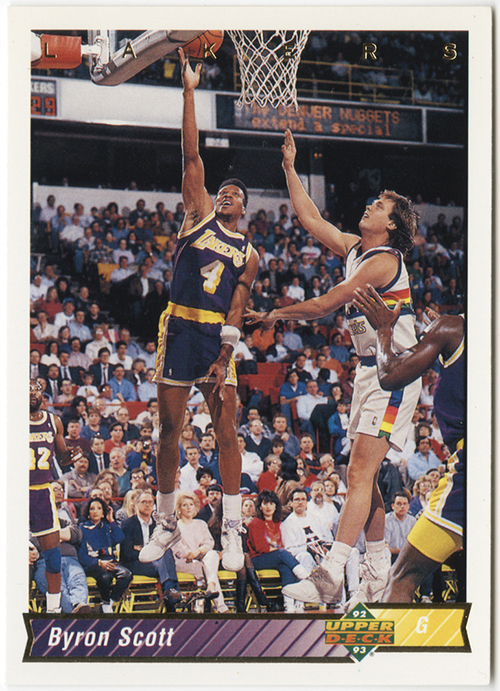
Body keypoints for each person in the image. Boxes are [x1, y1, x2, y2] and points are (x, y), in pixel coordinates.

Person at [246, 129, 421, 608]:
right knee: (359, 474)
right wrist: (289, 167)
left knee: (359, 472)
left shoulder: (384, 261)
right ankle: (378, 564)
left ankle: (330, 573)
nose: (369, 205)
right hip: (369, 370)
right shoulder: (356, 249)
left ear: (391, 224)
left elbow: (326, 305)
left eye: (379, 205)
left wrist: (276, 313)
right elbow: (310, 218)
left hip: (395, 370)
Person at [139, 48, 259, 574]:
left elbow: (238, 305)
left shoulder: (249, 252)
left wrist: (226, 353)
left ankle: (231, 526)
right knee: (168, 429)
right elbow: (192, 155)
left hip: (216, 337)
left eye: (235, 194)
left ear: (245, 208)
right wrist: (189, 92)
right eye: (223, 190)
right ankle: (165, 519)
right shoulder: (198, 214)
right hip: (179, 326)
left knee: (226, 429)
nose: (226, 194)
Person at [351, 284, 464, 602]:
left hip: (474, 465)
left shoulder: (453, 328)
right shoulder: (451, 329)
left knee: (402, 577)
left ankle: (381, 640)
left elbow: (389, 375)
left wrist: (384, 330)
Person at [29, 380, 83, 612]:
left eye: (36, 390)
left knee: (52, 556)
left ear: (43, 395)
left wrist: (71, 456)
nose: (32, 393)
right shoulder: (10, 418)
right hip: (16, 490)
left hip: (43, 491)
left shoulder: (54, 421)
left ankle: (54, 611)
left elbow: (61, 458)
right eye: (27, 390)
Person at [247, 490, 309, 613]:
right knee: (283, 553)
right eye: (265, 503)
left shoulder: (279, 523)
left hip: (277, 558)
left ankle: (288, 604)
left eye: (271, 503)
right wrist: (280, 553)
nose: (268, 507)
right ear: (260, 506)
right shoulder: (255, 523)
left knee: (285, 567)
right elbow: (261, 548)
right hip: (258, 559)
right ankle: (306, 577)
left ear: (276, 506)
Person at [120, 492, 181, 611]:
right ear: (136, 504)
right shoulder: (128, 524)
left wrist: (143, 549)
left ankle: (169, 592)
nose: (147, 505)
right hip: (136, 563)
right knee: (163, 560)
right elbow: (127, 553)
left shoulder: (158, 524)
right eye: (143, 502)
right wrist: (146, 552)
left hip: (157, 562)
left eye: (150, 502)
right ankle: (172, 595)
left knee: (166, 552)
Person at [171, 492, 228, 613]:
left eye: (191, 504)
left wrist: (198, 551)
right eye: (185, 505)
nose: (188, 508)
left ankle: (211, 586)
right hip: (184, 561)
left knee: (212, 554)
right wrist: (191, 554)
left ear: (195, 507)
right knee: (209, 570)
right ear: (179, 508)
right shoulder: (175, 526)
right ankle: (221, 607)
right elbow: (178, 549)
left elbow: (209, 543)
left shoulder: (201, 524)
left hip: (201, 557)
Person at [78, 497, 132, 613]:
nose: (95, 511)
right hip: (93, 564)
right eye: (92, 509)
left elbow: (120, 538)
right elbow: (81, 555)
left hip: (110, 562)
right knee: (105, 577)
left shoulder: (107, 527)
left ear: (103, 512)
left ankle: (110, 602)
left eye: (99, 508)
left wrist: (111, 520)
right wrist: (99, 563)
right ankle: (106, 604)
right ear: (88, 513)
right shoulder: (82, 529)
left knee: (126, 575)